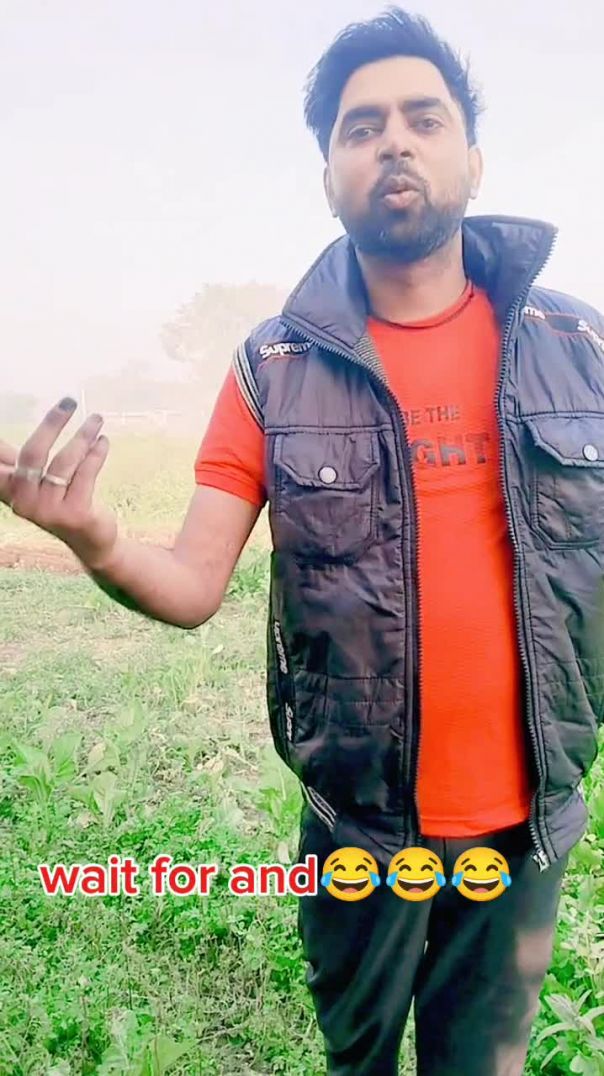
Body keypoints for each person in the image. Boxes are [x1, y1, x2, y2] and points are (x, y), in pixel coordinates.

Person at [2, 7, 603, 1074]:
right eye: (361, 127)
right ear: (330, 175)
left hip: (525, 831)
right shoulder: (272, 368)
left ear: (472, 159)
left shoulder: (580, 344)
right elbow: (193, 582)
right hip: (356, 832)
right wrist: (97, 541)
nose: (393, 142)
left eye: (423, 118)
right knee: (357, 1056)